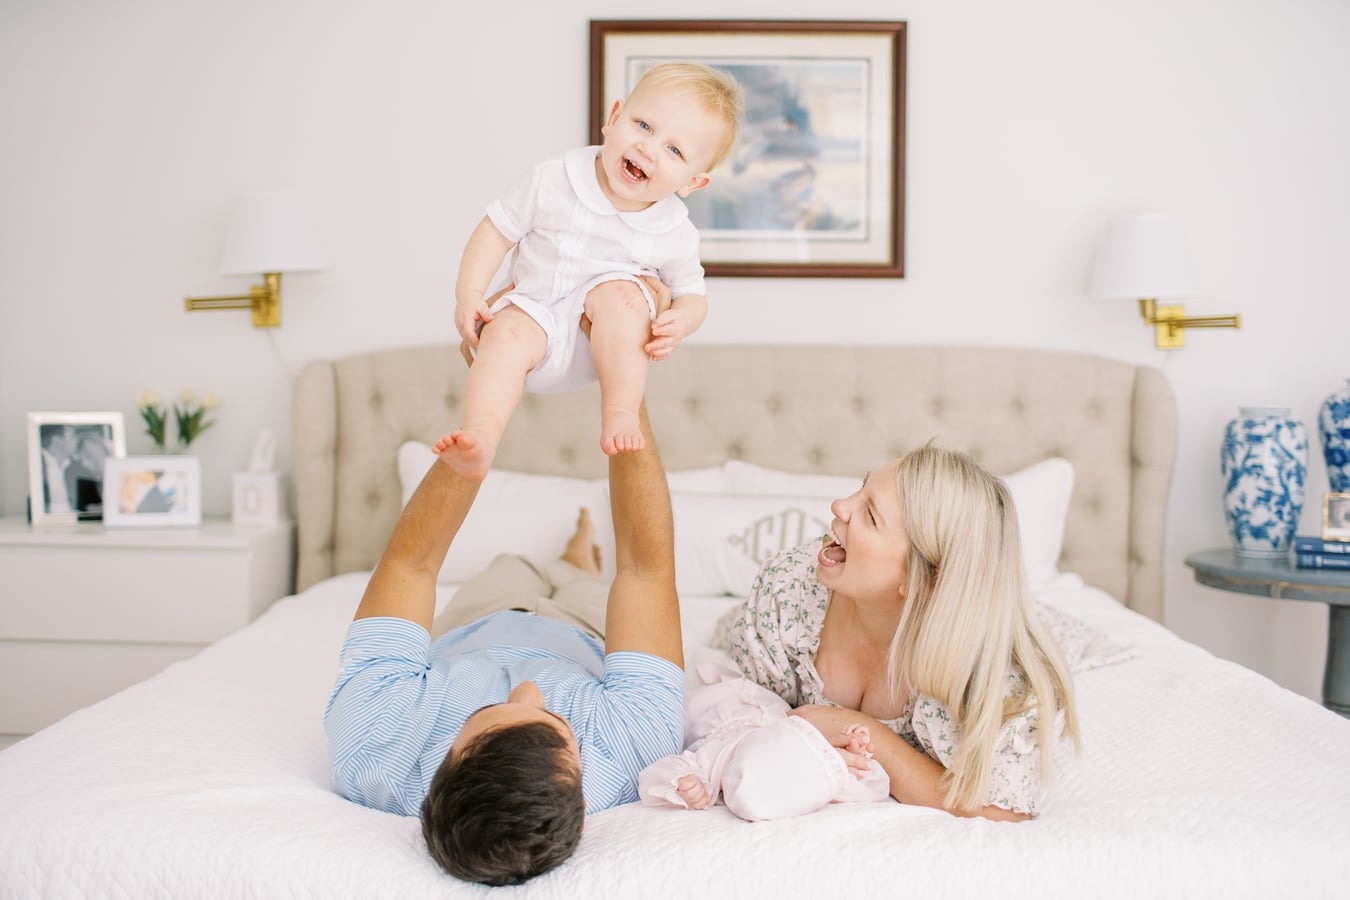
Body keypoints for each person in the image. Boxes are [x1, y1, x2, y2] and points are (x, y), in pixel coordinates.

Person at [324, 405, 686, 886]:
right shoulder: (635, 751)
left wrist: (479, 431)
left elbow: (412, 564)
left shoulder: (371, 744)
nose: (529, 690)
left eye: (486, 710)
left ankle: (566, 557)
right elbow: (645, 569)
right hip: (583, 631)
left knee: (509, 563)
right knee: (585, 582)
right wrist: (627, 397)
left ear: (440, 768)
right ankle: (578, 560)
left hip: (477, 621)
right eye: (554, 718)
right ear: (582, 799)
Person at [714, 446, 1082, 821]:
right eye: (860, 488)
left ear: (922, 581)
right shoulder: (789, 590)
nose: (840, 506)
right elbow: (738, 713)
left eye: (870, 516)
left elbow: (1002, 809)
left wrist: (861, 731)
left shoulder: (985, 674)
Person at [434, 62, 744, 479]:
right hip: (533, 320)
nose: (648, 150)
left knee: (620, 292)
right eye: (643, 126)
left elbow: (694, 294)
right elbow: (495, 232)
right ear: (614, 118)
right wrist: (469, 293)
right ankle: (480, 439)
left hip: (602, 348)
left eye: (675, 150)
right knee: (503, 333)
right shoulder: (552, 179)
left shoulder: (673, 229)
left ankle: (620, 413)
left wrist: (681, 321)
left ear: (693, 182)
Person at [638, 663, 890, 821]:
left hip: (788, 730)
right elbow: (659, 772)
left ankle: (840, 762)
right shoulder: (709, 743)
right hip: (750, 749)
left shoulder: (758, 691)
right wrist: (684, 781)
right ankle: (836, 764)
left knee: (796, 752)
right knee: (754, 777)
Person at [65, 431, 110, 518]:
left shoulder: (119, 475)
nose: (85, 464)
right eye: (81, 459)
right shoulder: (86, 482)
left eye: (88, 456)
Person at [39, 424, 77, 514]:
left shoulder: (74, 466)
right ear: (57, 440)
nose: (76, 441)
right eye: (72, 436)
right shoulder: (38, 463)